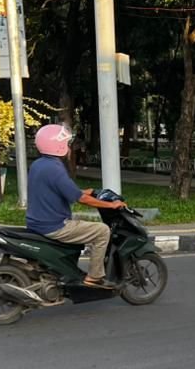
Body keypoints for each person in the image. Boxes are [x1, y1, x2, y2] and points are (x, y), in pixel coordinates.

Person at [25, 123, 127, 287]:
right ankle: (94, 277)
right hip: (55, 226)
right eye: (66, 144)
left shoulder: (39, 164)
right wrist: (111, 205)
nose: (70, 148)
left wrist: (88, 191)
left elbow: (62, 189)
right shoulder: (55, 168)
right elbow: (81, 199)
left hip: (36, 223)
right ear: (58, 147)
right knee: (102, 231)